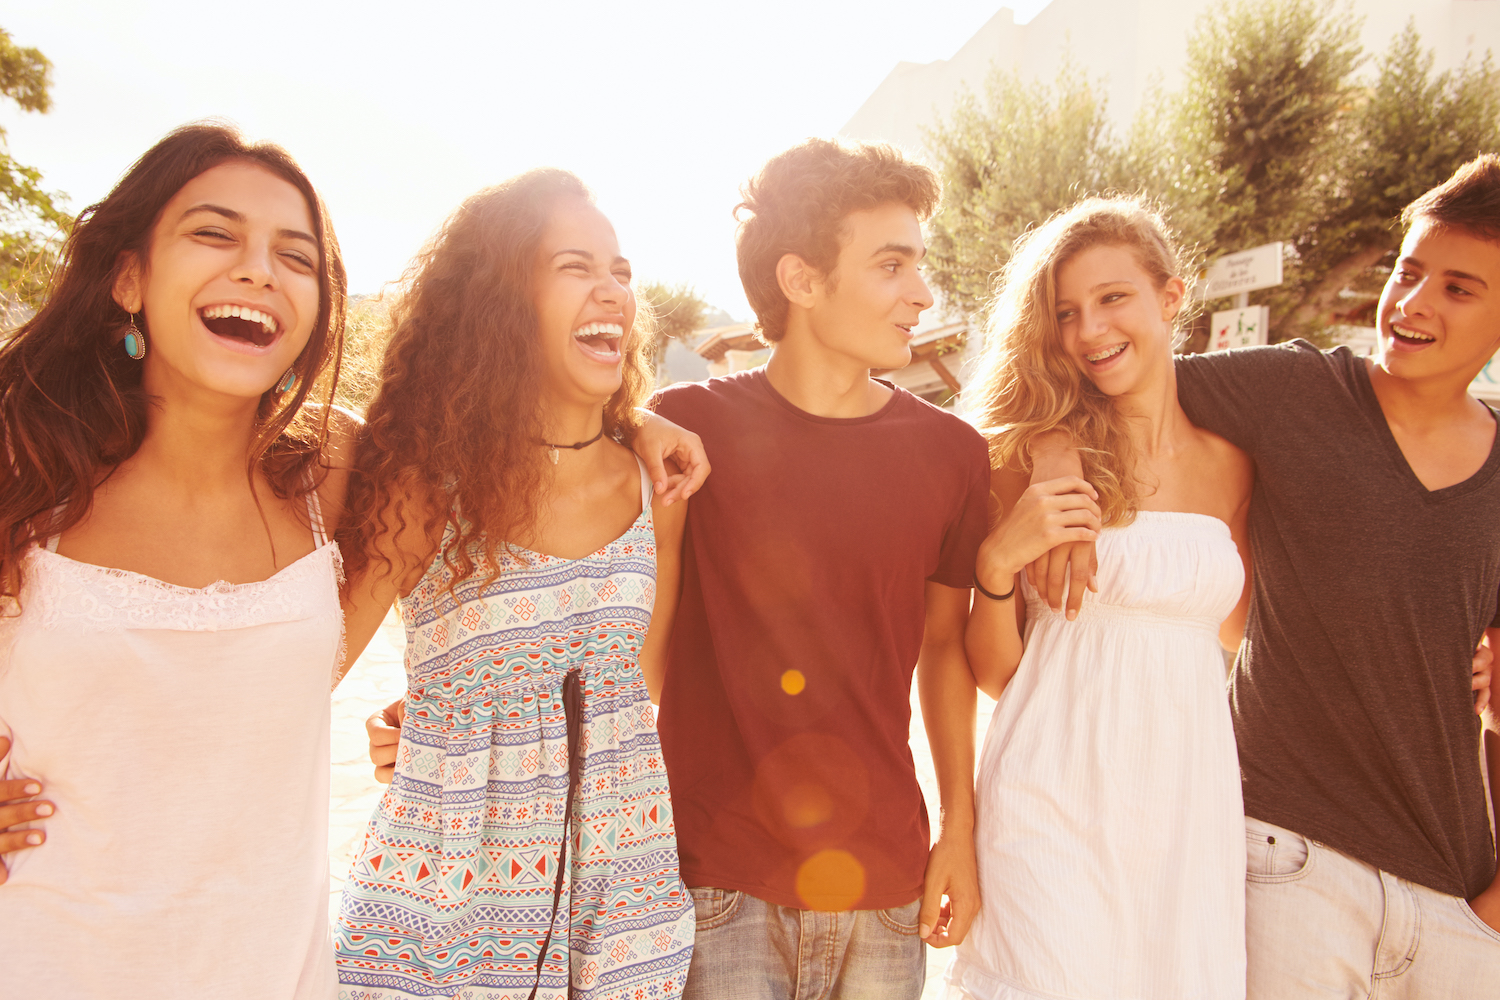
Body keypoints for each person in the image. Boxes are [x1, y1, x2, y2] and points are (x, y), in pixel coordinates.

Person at [1031, 156, 1500, 996]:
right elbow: (1109, 383)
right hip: (1291, 859)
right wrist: (1059, 471)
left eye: (1459, 288)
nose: (1415, 301)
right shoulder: (1293, 389)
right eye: (1409, 270)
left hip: (1460, 897)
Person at [0, 122, 352, 996]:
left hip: (280, 973)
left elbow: (509, 452)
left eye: (295, 256)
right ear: (129, 277)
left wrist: (637, 420)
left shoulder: (336, 472)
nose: (258, 270)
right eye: (214, 233)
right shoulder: (22, 463)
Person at [333, 169, 699, 1000]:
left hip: (622, 907)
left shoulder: (657, 484)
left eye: (621, 271)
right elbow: (301, 672)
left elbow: (639, 684)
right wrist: (434, 723)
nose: (611, 290)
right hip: (442, 908)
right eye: (575, 267)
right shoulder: (426, 482)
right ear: (500, 301)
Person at [645, 138, 990, 998]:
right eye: (891, 265)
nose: (921, 293)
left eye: (919, 264)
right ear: (801, 280)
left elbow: (946, 651)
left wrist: (959, 830)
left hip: (884, 890)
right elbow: (638, 647)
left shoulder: (952, 455)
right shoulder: (687, 429)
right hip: (714, 883)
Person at [944, 198, 1252, 1000]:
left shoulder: (1233, 466)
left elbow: (1245, 634)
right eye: (1067, 312)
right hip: (1051, 792)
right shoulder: (1033, 458)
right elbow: (997, 674)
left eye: (1113, 298)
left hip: (1187, 805)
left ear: (1171, 297)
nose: (1089, 331)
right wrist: (999, 561)